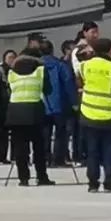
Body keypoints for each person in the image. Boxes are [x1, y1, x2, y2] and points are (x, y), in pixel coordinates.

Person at [78, 37, 111, 192]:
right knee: (110, 151)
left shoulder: (85, 66)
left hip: (89, 114)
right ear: (110, 50)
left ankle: (92, 183)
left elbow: (80, 83)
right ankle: (109, 182)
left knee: (92, 151)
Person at [6, 46, 52, 187]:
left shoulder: (11, 72)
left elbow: (9, 90)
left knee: (20, 147)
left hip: (15, 111)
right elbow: (48, 89)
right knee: (39, 147)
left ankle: (23, 178)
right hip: (34, 110)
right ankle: (42, 177)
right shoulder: (40, 71)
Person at [40, 39, 75, 168]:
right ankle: (58, 159)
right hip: (60, 103)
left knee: (45, 133)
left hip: (43, 104)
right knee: (61, 133)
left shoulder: (36, 66)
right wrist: (73, 101)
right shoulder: (60, 65)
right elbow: (68, 83)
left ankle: (44, 158)